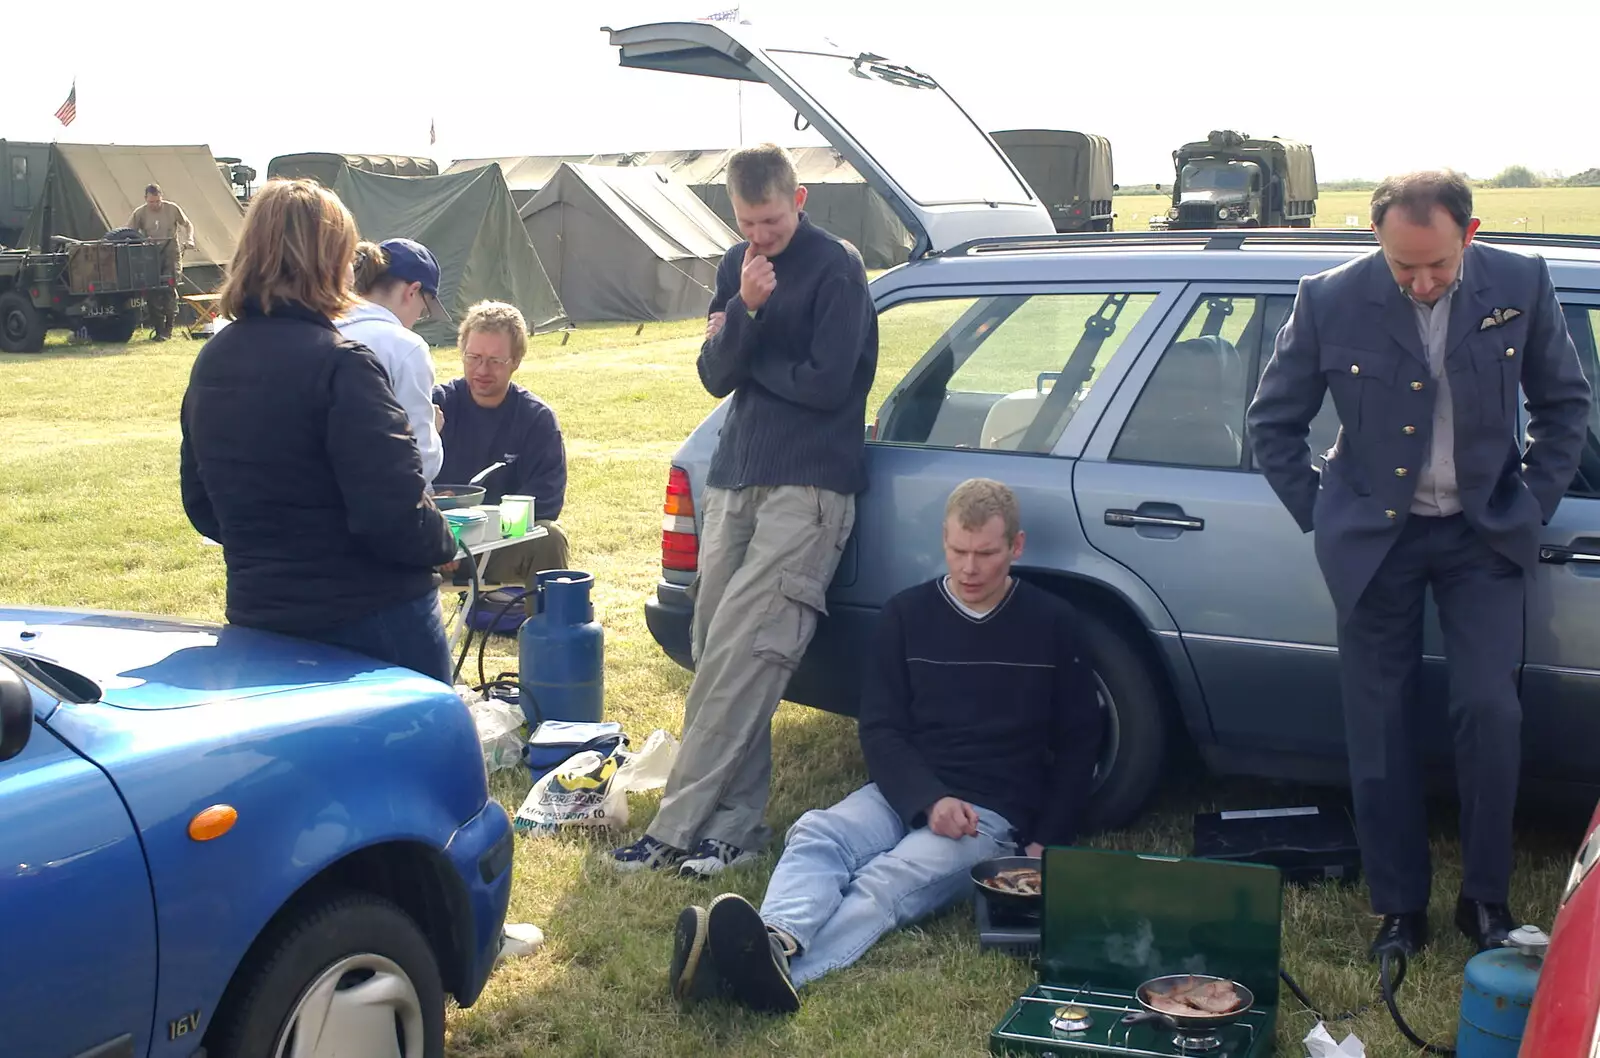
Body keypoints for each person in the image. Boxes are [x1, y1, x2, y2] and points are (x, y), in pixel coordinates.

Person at [1246, 170, 1592, 959]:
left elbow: (1565, 406)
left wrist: (1528, 502)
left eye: (1437, 264)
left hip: (1483, 537)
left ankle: (1486, 904)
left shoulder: (1521, 281)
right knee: (1380, 727)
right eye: (1405, 266)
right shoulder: (1328, 297)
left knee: (1489, 713)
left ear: (1469, 236)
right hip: (1376, 542)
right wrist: (1325, 514)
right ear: (1378, 239)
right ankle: (1400, 910)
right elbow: (1273, 422)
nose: (1423, 281)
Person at [669, 479, 1103, 1013]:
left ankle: (775, 974)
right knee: (817, 833)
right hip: (902, 791)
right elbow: (880, 727)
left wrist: (1043, 844)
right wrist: (927, 800)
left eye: (986, 554)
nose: (969, 568)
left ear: (1016, 547)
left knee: (887, 880)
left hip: (988, 814)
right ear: (943, 540)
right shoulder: (906, 615)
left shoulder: (1054, 623)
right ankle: (775, 938)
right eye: (957, 551)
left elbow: (1082, 741)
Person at [610, 143, 879, 877]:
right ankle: (736, 827)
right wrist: (747, 310)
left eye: (770, 220)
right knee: (713, 647)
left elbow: (829, 387)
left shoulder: (837, 268)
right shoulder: (738, 269)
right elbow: (711, 374)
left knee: (746, 654)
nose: (760, 236)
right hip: (735, 474)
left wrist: (743, 339)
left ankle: (673, 833)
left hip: (809, 484)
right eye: (746, 223)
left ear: (799, 201)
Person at [179, 179, 458, 683]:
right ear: (329, 263)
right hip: (370, 618)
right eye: (348, 259)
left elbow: (202, 504)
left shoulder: (213, 360)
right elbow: (394, 511)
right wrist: (445, 545)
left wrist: (275, 552)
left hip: (263, 616)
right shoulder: (341, 365)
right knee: (419, 754)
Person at [432, 300, 571, 583]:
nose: (482, 370)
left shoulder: (536, 419)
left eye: (495, 361)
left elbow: (546, 500)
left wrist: (471, 533)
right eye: (473, 357)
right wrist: (440, 534)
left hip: (499, 545)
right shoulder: (435, 406)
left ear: (516, 362)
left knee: (550, 537)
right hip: (430, 541)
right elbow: (394, 479)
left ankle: (546, 625)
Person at [338, 238, 450, 482]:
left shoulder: (322, 328)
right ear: (412, 291)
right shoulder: (405, 348)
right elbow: (421, 461)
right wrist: (433, 430)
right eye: (423, 311)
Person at [128, 183, 196, 340]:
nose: (154, 205)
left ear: (161, 197)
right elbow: (128, 232)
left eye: (157, 201)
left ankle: (168, 328)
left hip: (171, 250)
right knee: (151, 290)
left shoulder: (172, 209)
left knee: (169, 287)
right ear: (145, 199)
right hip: (150, 253)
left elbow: (187, 224)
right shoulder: (140, 213)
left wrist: (189, 239)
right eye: (151, 202)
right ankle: (159, 330)